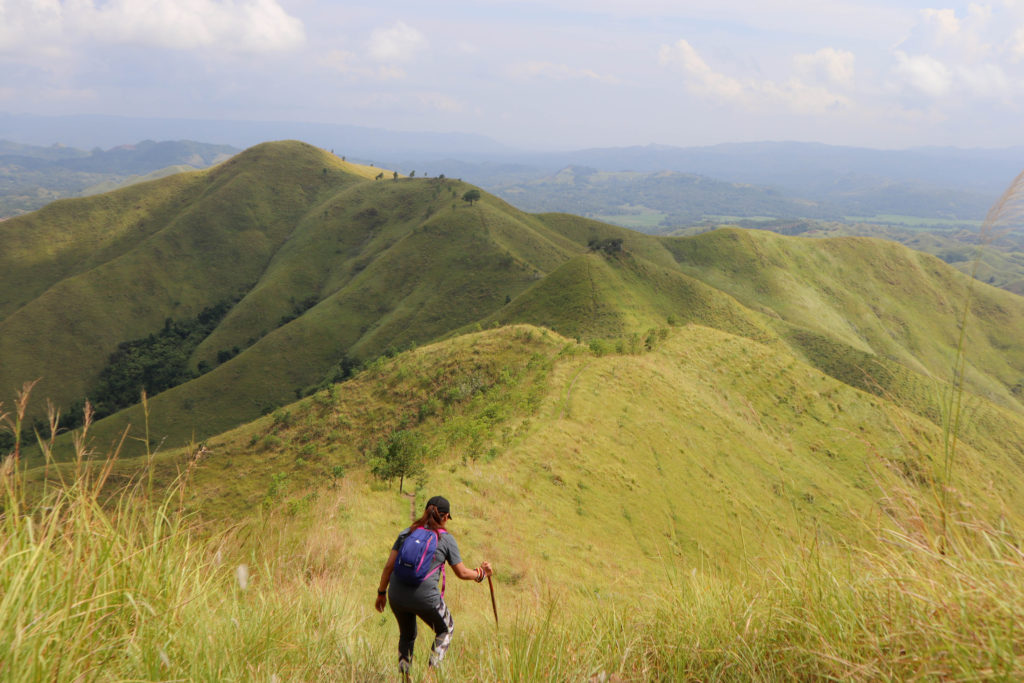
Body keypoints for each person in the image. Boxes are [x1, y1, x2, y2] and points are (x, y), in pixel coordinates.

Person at [375, 495, 493, 679]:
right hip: (425, 597)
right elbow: (462, 573)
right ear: (445, 517)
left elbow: (389, 566)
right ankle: (430, 677)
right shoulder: (445, 539)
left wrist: (381, 593)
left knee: (407, 635)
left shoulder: (406, 533)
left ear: (425, 511)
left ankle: (405, 678)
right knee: (447, 628)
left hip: (396, 595)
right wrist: (482, 574)